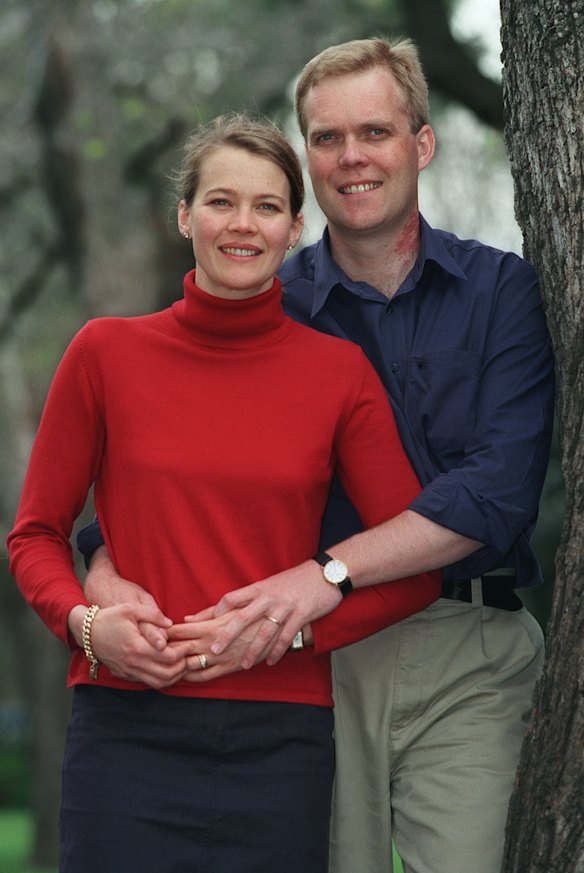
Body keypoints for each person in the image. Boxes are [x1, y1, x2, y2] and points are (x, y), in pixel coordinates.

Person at [76, 37, 555, 873]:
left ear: (422, 143)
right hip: (315, 657)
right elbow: (172, 465)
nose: (351, 157)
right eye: (325, 138)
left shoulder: (501, 290)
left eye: (374, 131)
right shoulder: (265, 301)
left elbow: (499, 492)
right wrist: (101, 573)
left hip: (471, 650)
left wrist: (325, 571)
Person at [6, 113, 441, 873]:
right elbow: (35, 534)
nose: (242, 224)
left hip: (280, 742)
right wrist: (86, 623)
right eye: (220, 201)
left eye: (267, 206)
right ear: (185, 216)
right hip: (122, 729)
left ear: (295, 227)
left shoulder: (338, 374)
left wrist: (294, 631)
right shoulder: (105, 353)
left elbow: (414, 566)